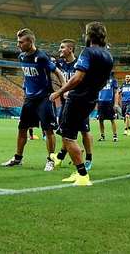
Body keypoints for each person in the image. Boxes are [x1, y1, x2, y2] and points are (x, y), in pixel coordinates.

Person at [49, 22, 114, 186]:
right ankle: (78, 170)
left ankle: (83, 175)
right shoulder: (108, 56)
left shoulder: (88, 52)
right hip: (92, 99)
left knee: (68, 137)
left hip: (78, 98)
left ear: (89, 35)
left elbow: (77, 78)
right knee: (73, 135)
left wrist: (59, 92)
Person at [1, 29, 59, 171]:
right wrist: (25, 87)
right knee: (22, 129)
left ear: (30, 42)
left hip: (44, 98)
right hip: (30, 99)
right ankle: (17, 158)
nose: (18, 44)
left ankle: (51, 160)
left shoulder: (42, 57)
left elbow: (58, 72)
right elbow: (28, 76)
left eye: (21, 42)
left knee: (48, 130)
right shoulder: (21, 57)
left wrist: (62, 90)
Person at [53, 39, 93, 170]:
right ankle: (61, 156)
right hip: (65, 103)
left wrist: (72, 92)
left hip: (79, 103)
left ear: (70, 49)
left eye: (62, 47)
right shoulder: (60, 64)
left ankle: (88, 159)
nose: (60, 50)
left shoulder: (80, 64)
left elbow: (84, 82)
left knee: (84, 131)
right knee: (65, 132)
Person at [97, 72, 119, 142]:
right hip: (101, 103)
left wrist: (115, 103)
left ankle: (115, 135)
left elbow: (116, 92)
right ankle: (102, 136)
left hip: (109, 102)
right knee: (100, 120)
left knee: (112, 119)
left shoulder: (113, 80)